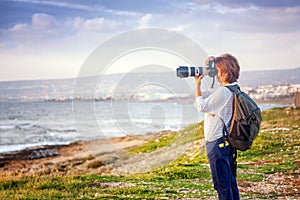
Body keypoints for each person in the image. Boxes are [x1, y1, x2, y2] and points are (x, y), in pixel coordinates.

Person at [194, 54, 240, 200]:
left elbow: (201, 106)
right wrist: (211, 63)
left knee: (222, 185)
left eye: (218, 70)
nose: (216, 73)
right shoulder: (234, 89)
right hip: (226, 142)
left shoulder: (223, 92)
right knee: (230, 182)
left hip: (216, 142)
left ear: (225, 72)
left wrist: (197, 85)